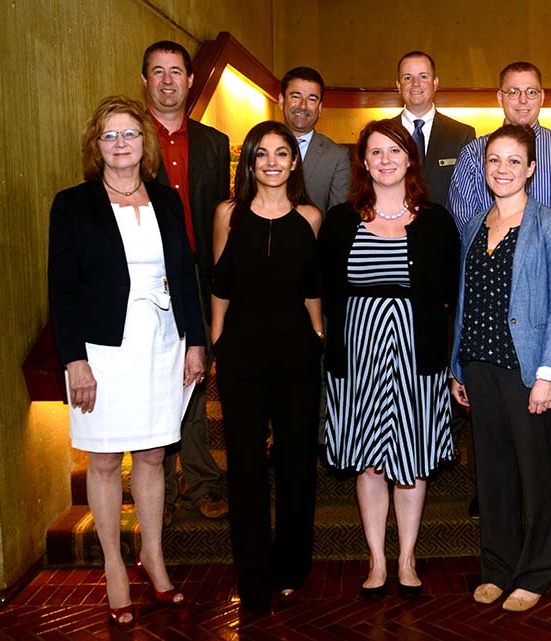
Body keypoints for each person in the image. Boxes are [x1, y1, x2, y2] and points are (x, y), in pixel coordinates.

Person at [48, 95, 205, 626]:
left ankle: (153, 557)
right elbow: (62, 289)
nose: (120, 144)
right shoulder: (72, 204)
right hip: (102, 351)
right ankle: (114, 563)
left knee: (156, 456)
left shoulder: (166, 200)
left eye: (129, 134)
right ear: (97, 146)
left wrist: (195, 341)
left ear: (146, 143)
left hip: (161, 341)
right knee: (105, 459)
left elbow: (184, 274)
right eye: (109, 135)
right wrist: (74, 360)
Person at [319, 120, 459, 599]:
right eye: (375, 152)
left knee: (411, 460)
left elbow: (449, 293)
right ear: (363, 161)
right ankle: (378, 559)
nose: (384, 160)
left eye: (393, 151)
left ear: (410, 159)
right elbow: (322, 289)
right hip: (358, 356)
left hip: (416, 353)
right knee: (370, 464)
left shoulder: (437, 221)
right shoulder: (340, 221)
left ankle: (407, 557)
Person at [450, 124, 551, 613]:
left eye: (512, 161)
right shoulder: (475, 226)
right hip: (480, 367)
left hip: (529, 371)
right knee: (493, 475)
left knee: (535, 474)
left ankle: (535, 571)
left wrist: (549, 374)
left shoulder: (550, 223)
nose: (501, 170)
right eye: (493, 161)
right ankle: (497, 567)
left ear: (530, 168)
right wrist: (458, 366)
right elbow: (466, 301)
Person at [210, 121, 323, 614]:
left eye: (282, 153)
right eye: (263, 154)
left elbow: (312, 286)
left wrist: (319, 333)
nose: (273, 162)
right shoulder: (228, 214)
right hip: (242, 353)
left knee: (298, 460)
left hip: (297, 351)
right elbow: (221, 282)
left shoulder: (311, 217)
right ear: (249, 162)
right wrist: (217, 338)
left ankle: (291, 567)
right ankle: (251, 573)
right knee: (246, 464)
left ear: (294, 162)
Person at [141, 40, 229, 525]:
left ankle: (200, 481)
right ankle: (161, 489)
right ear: (146, 81)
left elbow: (221, 214)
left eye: (176, 72)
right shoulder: (131, 138)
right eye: (158, 72)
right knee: (155, 377)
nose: (168, 80)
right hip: (146, 279)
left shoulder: (214, 143)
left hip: (196, 276)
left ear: (192, 81)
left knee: (195, 374)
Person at [448, 61, 551, 239]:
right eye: (513, 92)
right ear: (500, 97)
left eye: (531, 92)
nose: (523, 100)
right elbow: (463, 217)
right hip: (491, 261)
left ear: (542, 97)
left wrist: (547, 251)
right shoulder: (472, 154)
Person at [389, 51, 476, 207]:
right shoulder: (380, 135)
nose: (415, 84)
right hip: (390, 228)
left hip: (445, 228)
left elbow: (470, 194)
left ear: (435, 83)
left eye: (423, 76)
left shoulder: (462, 135)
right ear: (398, 86)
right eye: (407, 78)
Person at [278, 65, 351, 214]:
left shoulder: (337, 156)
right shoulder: (258, 146)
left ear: (319, 108)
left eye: (312, 99)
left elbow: (337, 218)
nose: (303, 106)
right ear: (281, 100)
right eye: (296, 96)